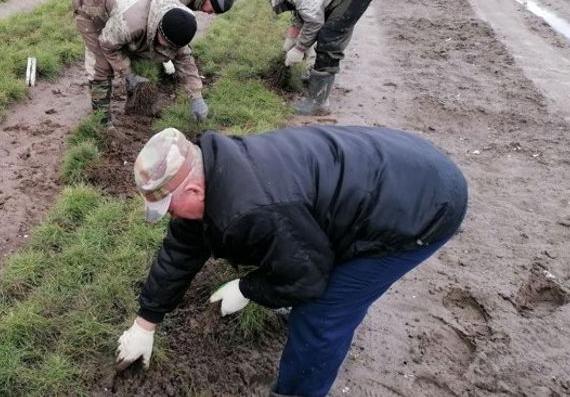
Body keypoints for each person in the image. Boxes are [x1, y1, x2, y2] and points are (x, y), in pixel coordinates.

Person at [116, 126, 467, 397]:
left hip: (424, 205)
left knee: (321, 312)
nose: (169, 216)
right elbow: (182, 247)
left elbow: (307, 279)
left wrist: (248, 288)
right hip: (394, 163)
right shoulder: (215, 165)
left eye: (168, 208)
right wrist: (146, 321)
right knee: (302, 259)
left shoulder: (255, 210)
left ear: (193, 191)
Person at [242, 0, 385, 115]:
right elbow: (302, 9)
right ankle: (316, 78)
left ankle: (318, 104)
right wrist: (291, 39)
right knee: (326, 26)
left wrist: (299, 49)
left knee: (330, 36)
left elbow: (314, 20)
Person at [74, 0, 208, 127]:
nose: (167, 48)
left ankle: (134, 107)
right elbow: (107, 44)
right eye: (166, 43)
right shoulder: (130, 24)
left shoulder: (181, 24)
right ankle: (102, 121)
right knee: (102, 65)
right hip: (92, 0)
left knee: (139, 52)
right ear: (159, 29)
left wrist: (196, 96)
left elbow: (185, 61)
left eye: (172, 46)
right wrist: (128, 73)